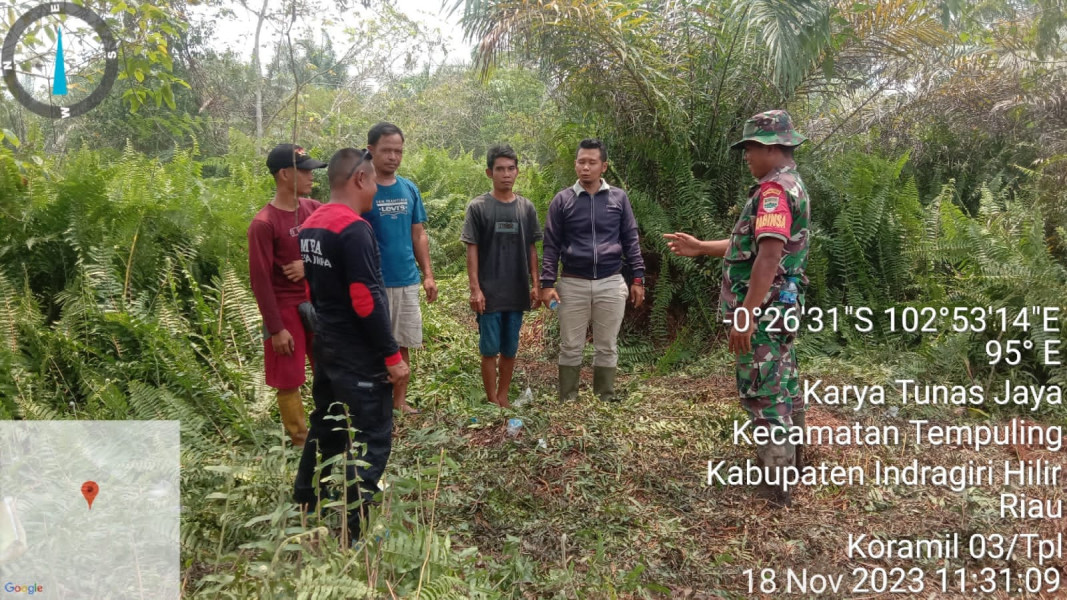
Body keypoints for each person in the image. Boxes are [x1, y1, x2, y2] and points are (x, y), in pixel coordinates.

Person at [664, 110, 811, 508]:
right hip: (781, 305)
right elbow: (751, 246)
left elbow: (767, 258)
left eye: (749, 147)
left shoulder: (773, 193)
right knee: (784, 383)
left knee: (764, 392)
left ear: (770, 146)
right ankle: (795, 466)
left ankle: (776, 489)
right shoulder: (789, 185)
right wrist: (700, 248)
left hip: (763, 312)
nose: (746, 155)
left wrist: (745, 314)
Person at [293, 147, 410, 546]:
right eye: (373, 179)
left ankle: (305, 502)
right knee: (372, 437)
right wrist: (392, 357)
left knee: (325, 424)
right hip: (358, 355)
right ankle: (349, 531)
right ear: (359, 179)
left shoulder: (312, 224)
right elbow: (365, 298)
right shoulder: (354, 229)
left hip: (326, 346)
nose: (376, 187)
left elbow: (312, 288)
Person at [540, 138, 646, 402]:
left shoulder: (618, 198)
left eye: (592, 162)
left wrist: (637, 278)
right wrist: (547, 284)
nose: (585, 167)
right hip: (572, 283)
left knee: (607, 345)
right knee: (571, 345)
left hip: (611, 281)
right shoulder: (562, 201)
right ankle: (568, 397)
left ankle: (605, 397)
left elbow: (631, 240)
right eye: (581, 162)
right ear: (575, 164)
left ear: (604, 166)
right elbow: (551, 245)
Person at [247, 143, 327, 447]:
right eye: (304, 170)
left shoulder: (314, 209)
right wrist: (276, 329)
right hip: (284, 309)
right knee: (289, 377)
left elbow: (334, 247)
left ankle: (329, 426)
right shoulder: (263, 224)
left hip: (315, 303)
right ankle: (300, 441)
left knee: (327, 367)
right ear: (283, 174)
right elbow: (261, 281)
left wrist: (307, 264)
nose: (311, 176)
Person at [363, 122, 436, 415]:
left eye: (398, 151)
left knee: (401, 343)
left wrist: (428, 274)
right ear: (371, 151)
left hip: (406, 279)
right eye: (386, 150)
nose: (393, 156)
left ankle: (398, 402)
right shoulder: (362, 187)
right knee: (372, 345)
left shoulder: (409, 188)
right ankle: (373, 405)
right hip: (372, 282)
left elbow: (418, 234)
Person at [461, 145, 543, 408]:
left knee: (510, 348)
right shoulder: (478, 207)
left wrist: (535, 283)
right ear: (489, 172)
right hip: (490, 292)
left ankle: (504, 395)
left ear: (517, 172)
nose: (506, 174)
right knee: (489, 349)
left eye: (511, 168)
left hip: (517, 291)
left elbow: (531, 248)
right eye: (500, 169)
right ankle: (492, 398)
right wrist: (475, 289)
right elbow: (471, 249)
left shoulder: (526, 208)